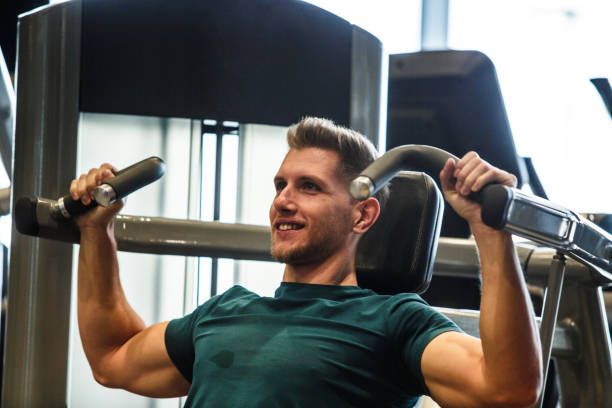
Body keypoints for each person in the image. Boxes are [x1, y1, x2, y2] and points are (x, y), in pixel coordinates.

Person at [72, 117, 542, 407]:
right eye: (281, 186)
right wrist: (96, 231)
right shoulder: (224, 312)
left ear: (363, 213)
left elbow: (506, 393)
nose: (283, 201)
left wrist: (488, 231)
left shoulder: (392, 321)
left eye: (309, 187)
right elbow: (112, 359)